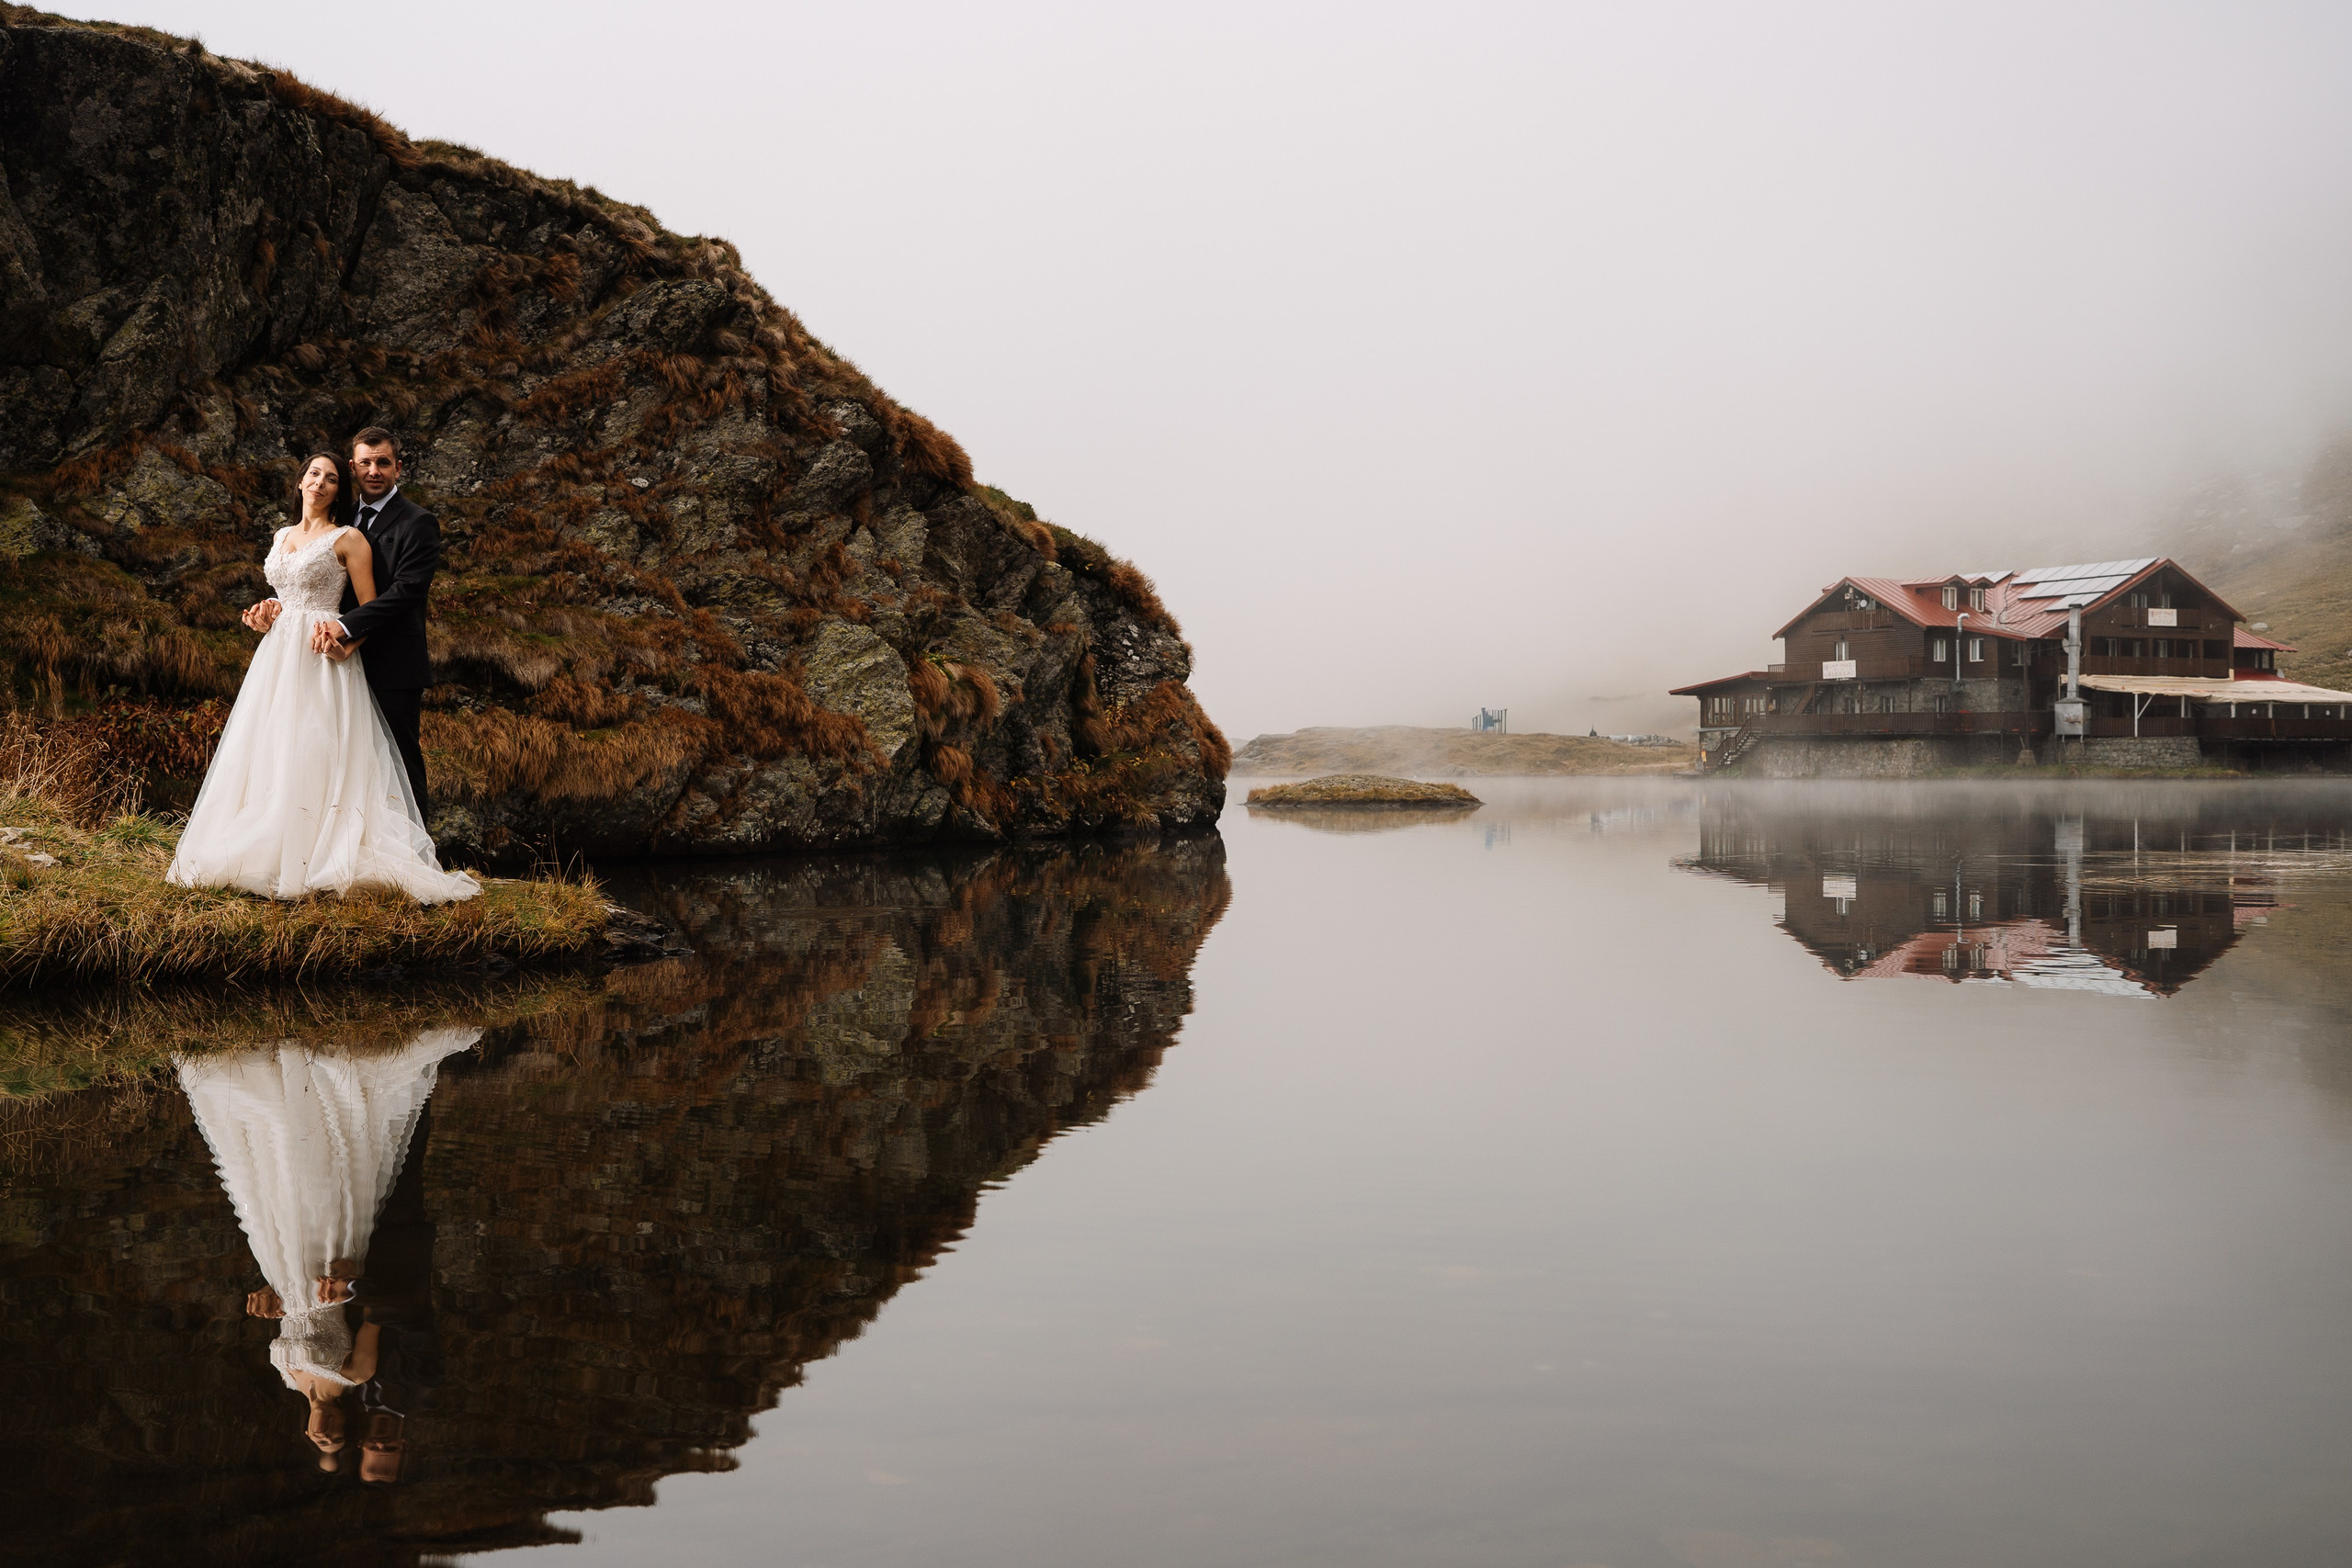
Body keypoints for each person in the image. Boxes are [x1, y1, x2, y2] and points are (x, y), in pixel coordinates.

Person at [164, 442, 477, 903]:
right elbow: (290, 589)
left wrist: (346, 636)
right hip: (281, 654)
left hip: (364, 654)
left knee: (387, 759)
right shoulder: (296, 530)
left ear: (396, 467)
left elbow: (398, 593)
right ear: (303, 480)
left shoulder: (395, 525)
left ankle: (413, 856)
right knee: (280, 745)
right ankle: (282, 847)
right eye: (317, 474)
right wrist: (267, 610)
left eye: (382, 462)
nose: (322, 483)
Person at [175, 1031, 481, 1473]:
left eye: (323, 1441)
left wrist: (268, 1296)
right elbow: (381, 1318)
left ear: (307, 1433)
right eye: (338, 1437)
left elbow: (287, 1316)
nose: (328, 1435)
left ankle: (274, 1089)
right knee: (321, 1186)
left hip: (284, 1267)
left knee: (273, 1192)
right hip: (337, 1268)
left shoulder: (287, 1378)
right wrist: (352, 1284)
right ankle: (316, 1085)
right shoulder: (361, 1378)